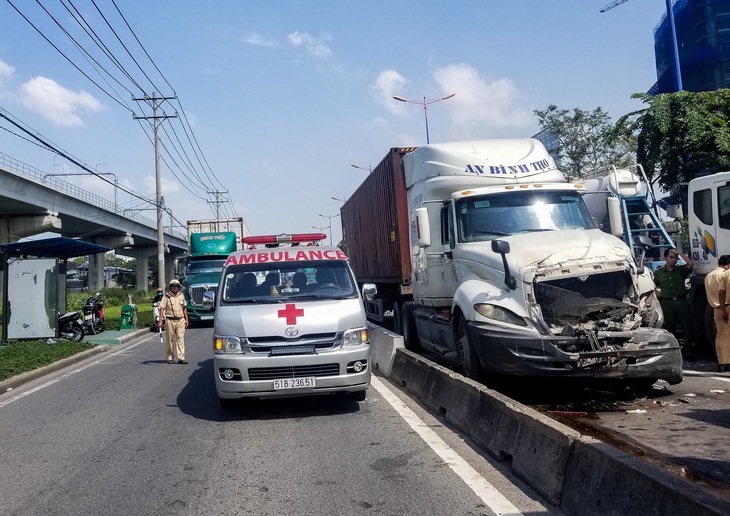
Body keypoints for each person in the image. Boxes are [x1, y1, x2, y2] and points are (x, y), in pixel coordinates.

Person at [653, 247, 695, 359]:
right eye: (671, 257)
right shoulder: (659, 273)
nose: (673, 260)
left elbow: (690, 263)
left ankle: (688, 351)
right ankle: (675, 352)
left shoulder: (680, 270)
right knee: (670, 328)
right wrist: (658, 293)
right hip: (667, 303)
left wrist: (679, 253)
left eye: (675, 258)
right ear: (665, 258)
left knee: (687, 327)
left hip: (681, 302)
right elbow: (651, 285)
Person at [704, 255, 730, 372]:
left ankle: (722, 363)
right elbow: (722, 292)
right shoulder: (725, 275)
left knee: (721, 337)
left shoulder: (708, 276)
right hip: (726, 307)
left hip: (716, 309)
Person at [159, 279, 189, 364]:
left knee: (180, 338)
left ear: (178, 287)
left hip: (180, 320)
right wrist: (160, 321)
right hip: (170, 320)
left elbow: (184, 308)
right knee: (170, 340)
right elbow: (162, 309)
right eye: (173, 286)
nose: (174, 288)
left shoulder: (181, 296)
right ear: (170, 287)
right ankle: (170, 357)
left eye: (176, 286)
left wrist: (186, 319)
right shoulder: (166, 297)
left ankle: (181, 358)